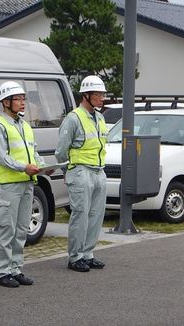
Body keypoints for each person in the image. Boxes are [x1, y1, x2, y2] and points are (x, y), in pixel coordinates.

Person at [0, 81, 45, 287]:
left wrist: (43, 166)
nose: (22, 103)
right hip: (9, 186)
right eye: (18, 99)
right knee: (6, 229)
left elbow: (33, 151)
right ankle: (2, 273)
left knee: (21, 230)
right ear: (5, 102)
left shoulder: (25, 125)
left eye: (23, 99)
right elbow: (1, 157)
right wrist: (23, 167)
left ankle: (16, 269)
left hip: (27, 184)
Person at [55, 75, 109, 272]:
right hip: (80, 172)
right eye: (98, 94)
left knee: (96, 215)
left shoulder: (100, 118)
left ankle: (88, 254)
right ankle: (75, 256)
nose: (102, 98)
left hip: (98, 172)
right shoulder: (73, 118)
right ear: (86, 95)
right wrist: (67, 170)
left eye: (103, 94)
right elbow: (61, 150)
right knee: (80, 215)